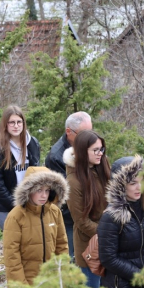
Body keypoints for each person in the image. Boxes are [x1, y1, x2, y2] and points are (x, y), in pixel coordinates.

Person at [98, 156, 144, 288]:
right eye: (133, 182)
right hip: (121, 286)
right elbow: (108, 258)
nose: (139, 187)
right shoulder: (112, 216)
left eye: (142, 181)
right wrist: (141, 277)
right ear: (121, 184)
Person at [3, 167, 69, 285]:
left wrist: (62, 277)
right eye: (39, 190)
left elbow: (61, 246)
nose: (44, 195)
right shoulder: (16, 216)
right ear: (28, 190)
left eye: (47, 190)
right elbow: (12, 257)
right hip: (27, 284)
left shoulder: (55, 212)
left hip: (51, 283)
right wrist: (21, 287)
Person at [64, 130, 110, 288]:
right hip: (89, 247)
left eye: (102, 149)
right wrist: (108, 232)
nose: (100, 154)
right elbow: (81, 221)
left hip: (109, 243)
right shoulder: (73, 181)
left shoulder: (102, 166)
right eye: (95, 150)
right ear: (83, 152)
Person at [0, 105, 41, 230]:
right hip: (2, 205)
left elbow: (36, 173)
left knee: (29, 240)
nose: (16, 126)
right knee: (15, 239)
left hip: (26, 201)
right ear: (5, 125)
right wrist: (16, 204)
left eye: (19, 122)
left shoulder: (33, 143)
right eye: (12, 122)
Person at [45, 111, 93, 259]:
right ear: (69, 132)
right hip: (69, 216)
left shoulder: (89, 145)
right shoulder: (56, 156)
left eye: (91, 132)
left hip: (89, 212)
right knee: (73, 257)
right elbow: (71, 190)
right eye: (84, 133)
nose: (89, 137)